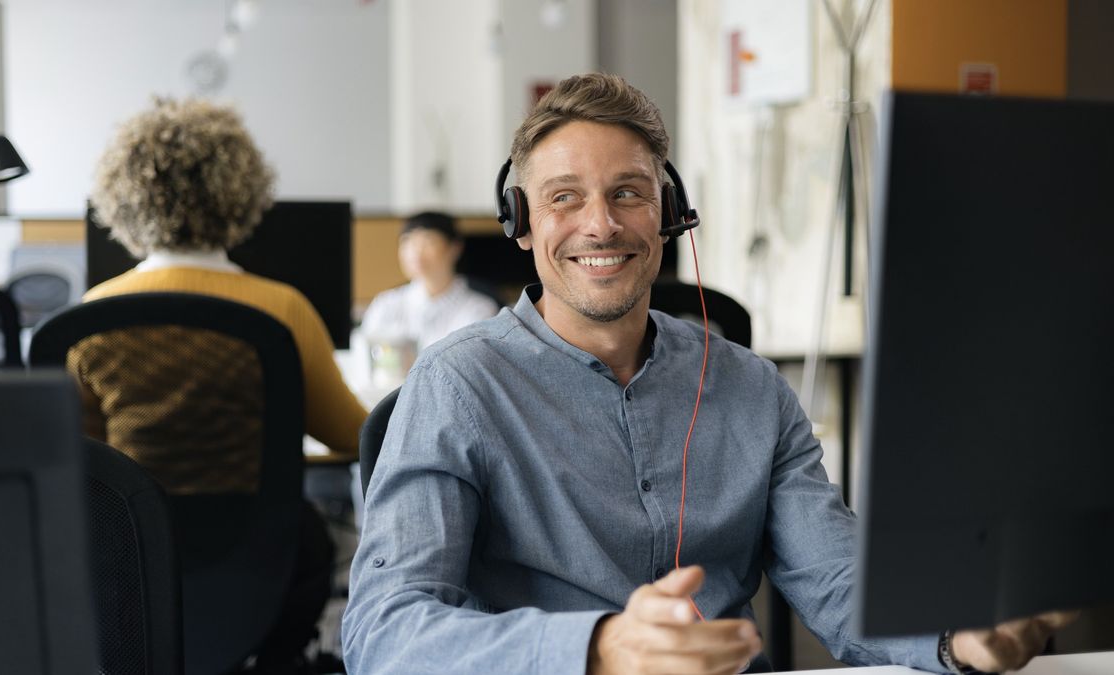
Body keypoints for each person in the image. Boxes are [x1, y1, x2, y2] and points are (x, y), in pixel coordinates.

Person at [341, 74, 1073, 675]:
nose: (601, 224)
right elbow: (385, 629)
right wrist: (598, 648)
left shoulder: (752, 388)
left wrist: (952, 638)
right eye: (565, 197)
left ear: (669, 214)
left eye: (628, 192)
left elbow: (836, 580)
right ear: (522, 222)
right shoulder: (456, 387)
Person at [82, 97, 368, 671]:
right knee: (317, 536)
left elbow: (79, 457)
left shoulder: (92, 316)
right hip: (262, 557)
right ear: (240, 192)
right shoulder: (281, 307)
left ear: (123, 197)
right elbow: (352, 434)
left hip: (129, 556)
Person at [360, 211, 499, 354]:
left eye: (428, 241)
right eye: (408, 241)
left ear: (455, 248)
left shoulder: (479, 309)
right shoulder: (385, 304)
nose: (416, 251)